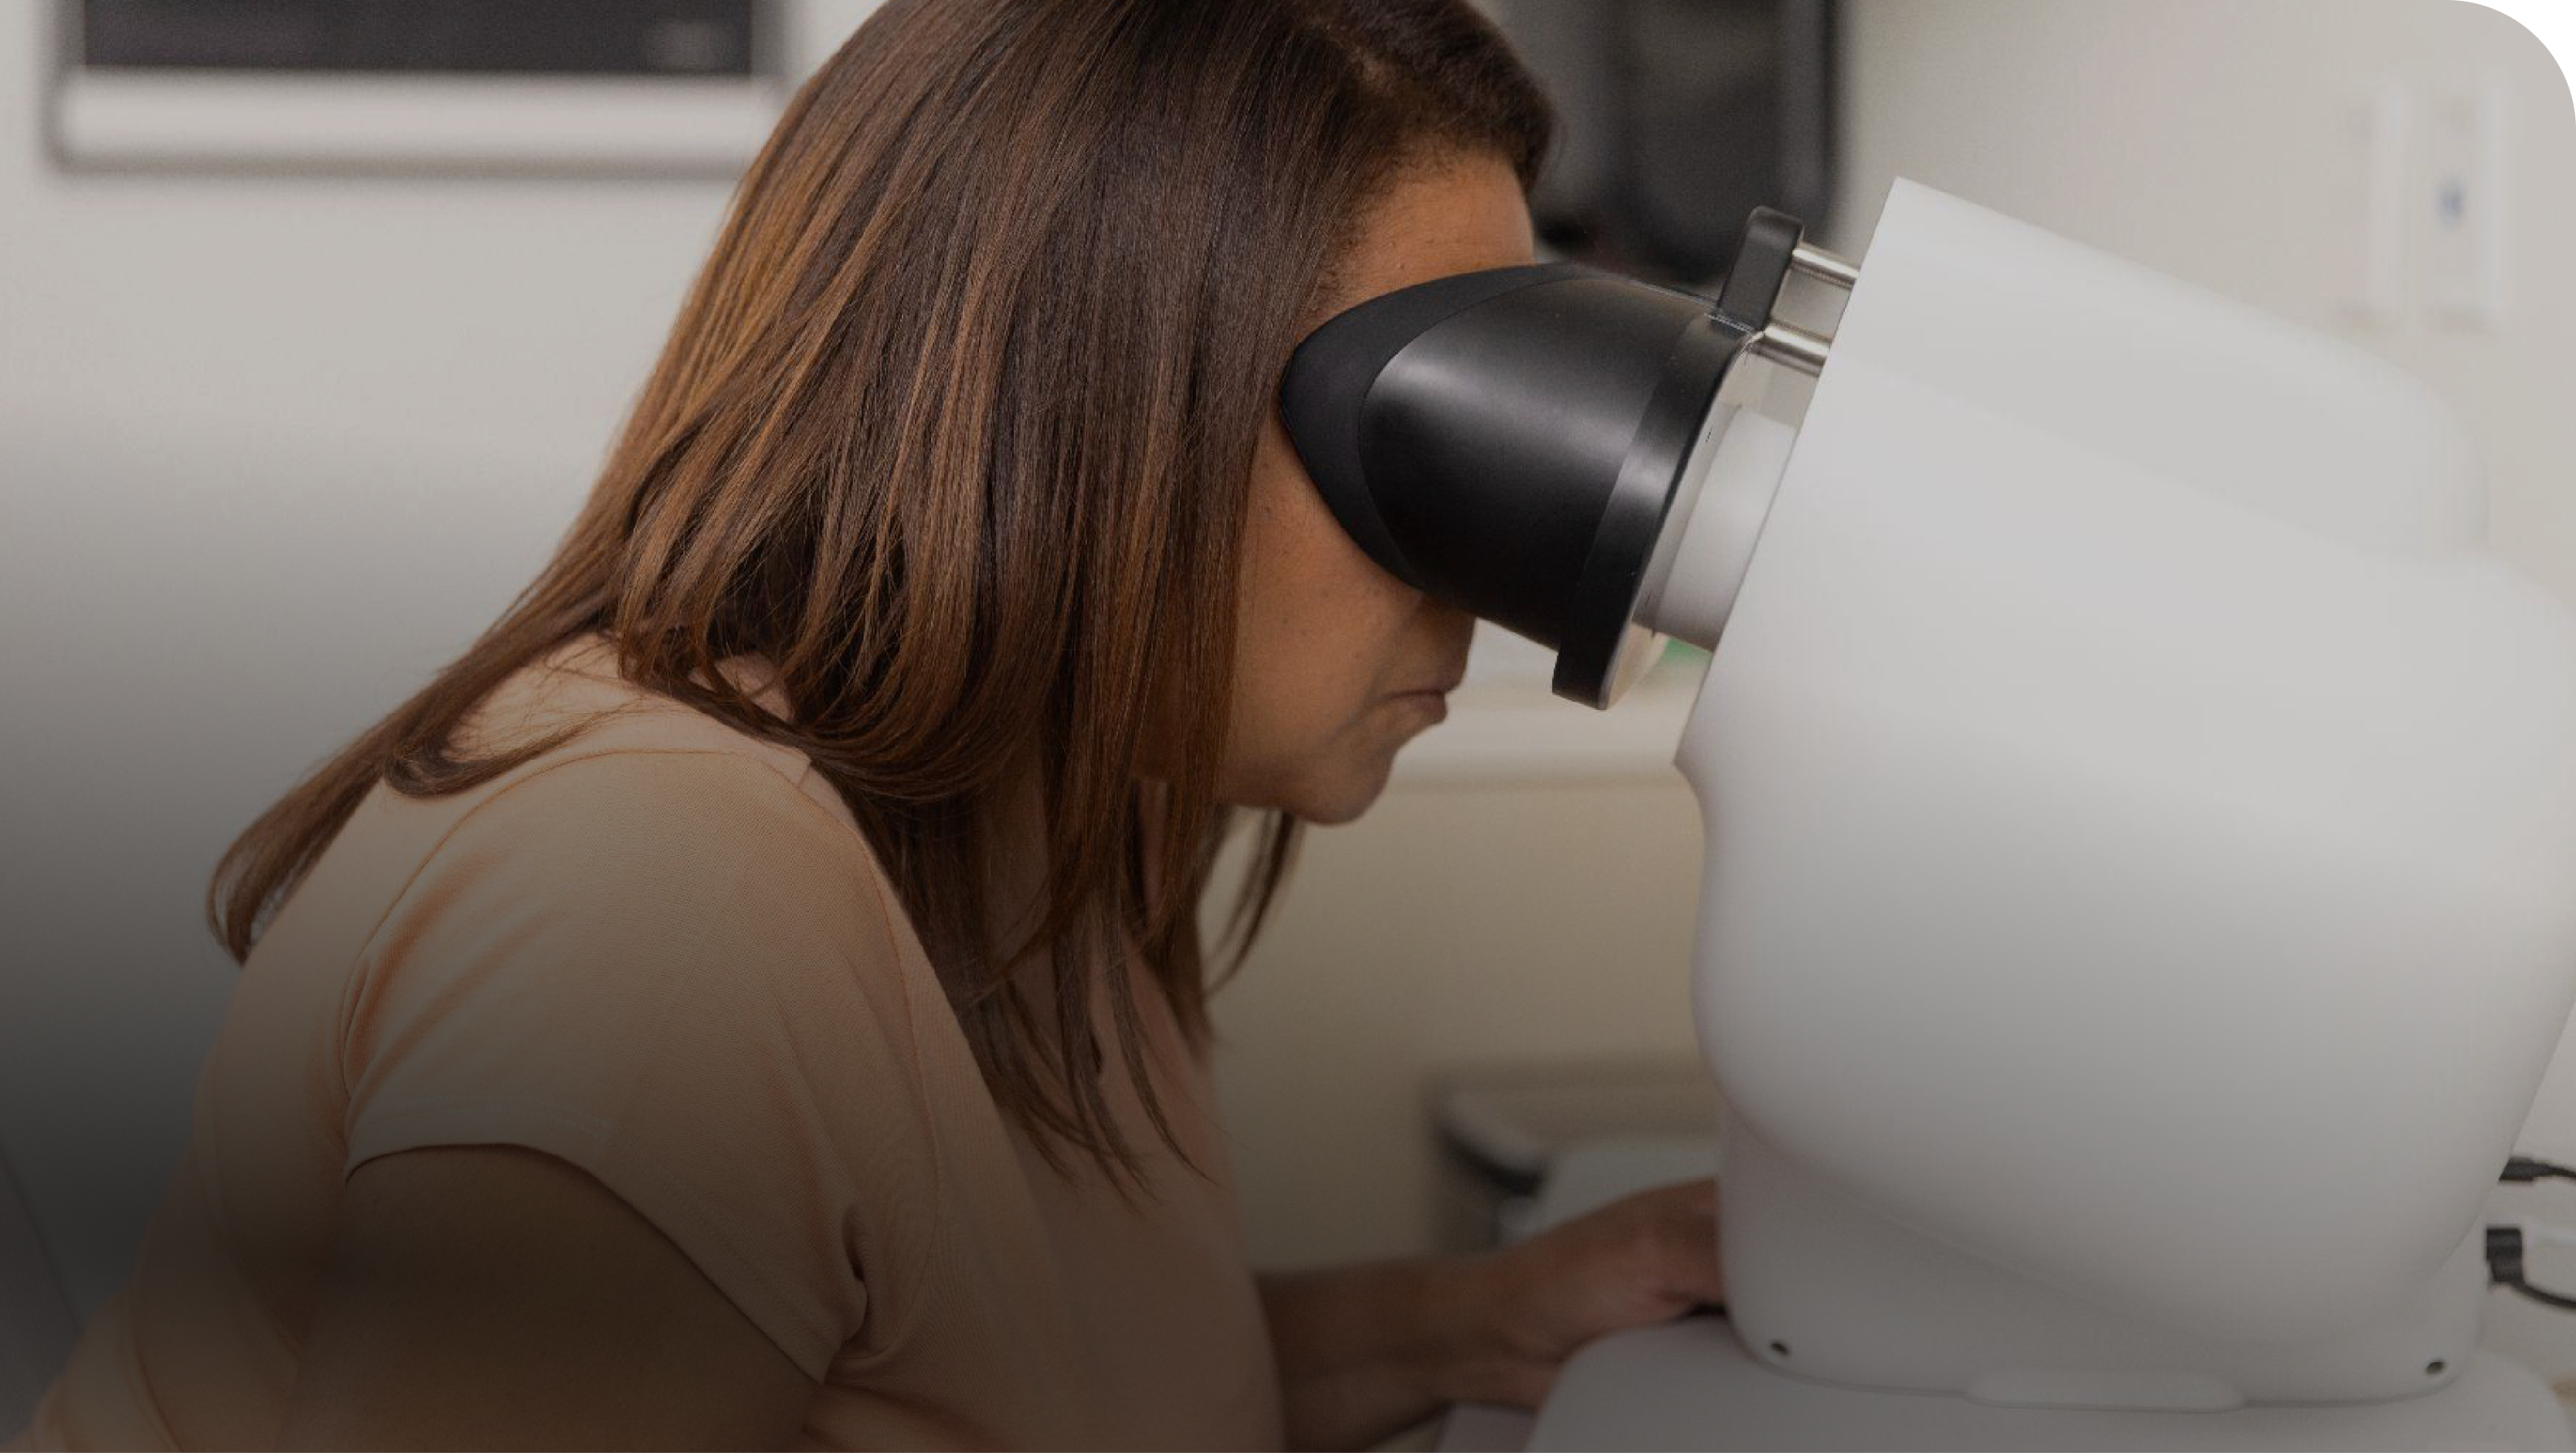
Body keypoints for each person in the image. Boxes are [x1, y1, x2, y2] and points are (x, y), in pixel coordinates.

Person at [8, 2, 1723, 1450]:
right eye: (1423, 457)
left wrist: (1491, 1322)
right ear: (1090, 424)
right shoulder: (662, 899)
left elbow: (1039, 1386)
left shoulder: (1050, 820)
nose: (1482, 589)